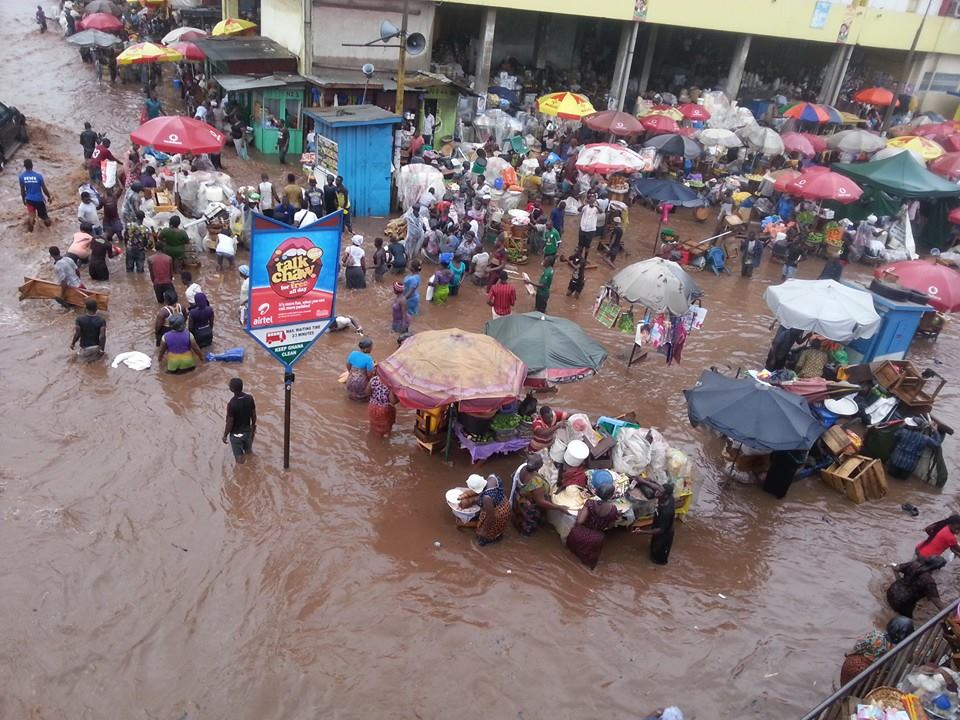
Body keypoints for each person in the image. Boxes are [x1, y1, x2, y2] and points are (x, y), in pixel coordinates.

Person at [840, 616, 914, 685]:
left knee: (845, 686)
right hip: (869, 675)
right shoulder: (898, 650)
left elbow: (858, 646)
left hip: (852, 666)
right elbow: (889, 667)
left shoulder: (875, 635)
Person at [566, 484, 619, 569]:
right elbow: (610, 526)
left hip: (579, 533)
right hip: (595, 539)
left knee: (569, 556)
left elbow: (580, 521)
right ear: (611, 496)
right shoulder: (613, 509)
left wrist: (580, 511)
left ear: (597, 492)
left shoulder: (590, 503)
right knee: (586, 563)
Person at [511, 455, 567, 536]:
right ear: (538, 467)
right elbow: (541, 502)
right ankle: (526, 534)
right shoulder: (536, 483)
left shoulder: (522, 468)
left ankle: (519, 527)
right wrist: (559, 507)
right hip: (529, 506)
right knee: (529, 524)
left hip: (521, 499)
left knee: (520, 518)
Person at [457, 474, 511, 546]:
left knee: (487, 531)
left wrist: (483, 530)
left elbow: (491, 516)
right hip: (504, 502)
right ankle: (497, 534)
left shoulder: (487, 498)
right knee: (496, 527)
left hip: (498, 512)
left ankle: (486, 540)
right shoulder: (492, 478)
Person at [633, 480, 676, 565]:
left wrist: (642, 532)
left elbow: (660, 530)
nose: (656, 492)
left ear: (666, 496)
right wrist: (642, 480)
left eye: (660, 492)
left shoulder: (666, 511)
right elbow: (656, 487)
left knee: (657, 557)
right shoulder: (664, 496)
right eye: (658, 489)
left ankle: (656, 568)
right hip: (658, 525)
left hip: (664, 534)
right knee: (652, 547)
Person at [223, 377, 256, 465]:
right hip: (247, 432)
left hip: (236, 435)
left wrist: (225, 435)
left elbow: (230, 422)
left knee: (240, 461)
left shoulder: (231, 404)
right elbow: (253, 414)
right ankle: (252, 468)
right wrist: (253, 426)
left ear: (232, 389)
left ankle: (242, 475)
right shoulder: (250, 398)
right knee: (249, 452)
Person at [19, 159, 53, 232]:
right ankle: (50, 231)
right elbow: (44, 188)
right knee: (45, 217)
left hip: (29, 199)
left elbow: (22, 190)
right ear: (32, 165)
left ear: (24, 166)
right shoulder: (38, 176)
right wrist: (49, 197)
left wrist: (23, 200)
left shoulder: (22, 177)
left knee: (31, 216)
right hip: (39, 200)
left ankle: (30, 232)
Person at [367, 370, 399, 438]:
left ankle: (375, 440)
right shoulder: (391, 384)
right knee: (387, 428)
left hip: (373, 407)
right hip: (385, 410)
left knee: (374, 425)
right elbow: (392, 401)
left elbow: (367, 392)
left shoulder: (374, 379)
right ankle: (385, 440)